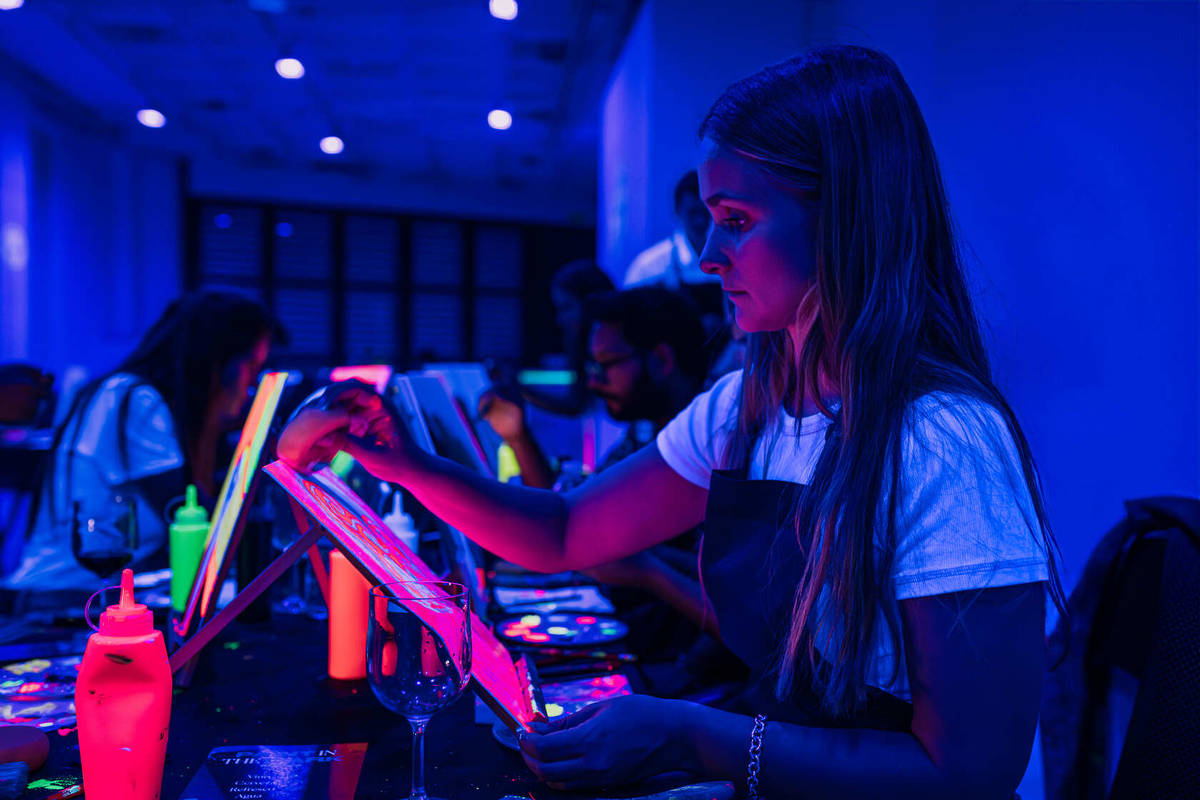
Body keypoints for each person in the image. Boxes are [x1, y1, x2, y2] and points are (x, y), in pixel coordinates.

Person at [280, 45, 1064, 798]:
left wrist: (691, 735)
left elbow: (968, 772)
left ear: (846, 221)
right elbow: (561, 532)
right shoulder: (747, 407)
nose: (708, 254)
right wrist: (397, 460)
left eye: (736, 218)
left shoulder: (942, 442)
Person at [6, 292, 286, 591]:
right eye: (251, 368)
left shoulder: (130, 395)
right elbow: (192, 514)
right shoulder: (134, 402)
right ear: (218, 363)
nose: (249, 388)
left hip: (89, 593)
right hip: (65, 599)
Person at [479, 287, 707, 491]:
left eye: (606, 364)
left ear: (662, 359)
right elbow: (575, 506)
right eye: (593, 367)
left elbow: (573, 519)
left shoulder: (705, 444)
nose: (594, 382)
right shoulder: (643, 433)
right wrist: (517, 436)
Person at [523, 259, 615, 417]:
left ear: (593, 304)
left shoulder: (617, 348)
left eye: (566, 307)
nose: (560, 320)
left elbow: (575, 405)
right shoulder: (589, 353)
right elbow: (576, 404)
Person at [624, 171, 716, 292]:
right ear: (677, 211)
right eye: (692, 213)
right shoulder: (649, 267)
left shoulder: (729, 260)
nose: (700, 220)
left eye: (704, 212)